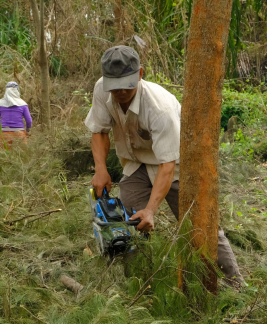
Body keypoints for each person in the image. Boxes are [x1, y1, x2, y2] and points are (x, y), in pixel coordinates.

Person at [85, 45, 244, 286]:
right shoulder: (101, 89)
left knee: (199, 224)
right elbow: (99, 131)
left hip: (174, 166)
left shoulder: (160, 109)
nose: (118, 91)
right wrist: (100, 168)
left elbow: (167, 164)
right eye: (113, 85)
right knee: (129, 225)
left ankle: (236, 285)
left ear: (140, 74)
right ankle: (142, 286)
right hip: (136, 163)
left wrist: (151, 210)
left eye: (125, 85)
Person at [0, 82, 32, 147]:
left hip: (4, 133)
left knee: (5, 155)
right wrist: (27, 130)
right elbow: (29, 120)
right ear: (17, 91)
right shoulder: (23, 104)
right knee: (21, 155)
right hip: (19, 133)